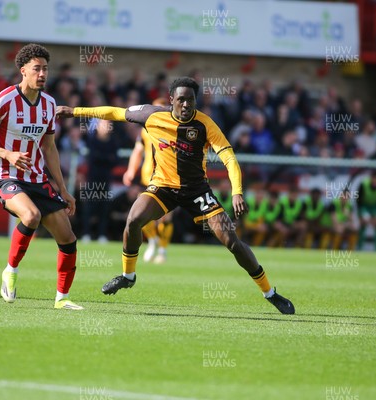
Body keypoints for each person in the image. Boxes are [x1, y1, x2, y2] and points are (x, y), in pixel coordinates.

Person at [56, 77, 294, 314]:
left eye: (191, 100)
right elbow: (115, 113)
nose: (186, 105)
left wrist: (237, 192)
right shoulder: (151, 115)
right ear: (171, 100)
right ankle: (128, 276)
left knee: (232, 242)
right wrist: (74, 111)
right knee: (133, 219)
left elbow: (229, 158)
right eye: (181, 100)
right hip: (163, 187)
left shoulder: (205, 124)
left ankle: (269, 293)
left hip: (197, 191)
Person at [0, 43, 83, 310]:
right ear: (23, 71)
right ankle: (10, 271)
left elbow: (49, 147)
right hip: (6, 175)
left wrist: (63, 190)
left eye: (45, 69)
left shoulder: (49, 104)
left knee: (68, 238)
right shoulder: (2, 100)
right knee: (31, 216)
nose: (42, 74)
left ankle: (62, 299)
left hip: (38, 180)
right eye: (36, 69)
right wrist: (6, 154)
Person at [122, 98, 174, 264]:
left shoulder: (174, 129)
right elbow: (137, 151)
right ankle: (152, 242)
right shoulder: (145, 130)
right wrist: (130, 170)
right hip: (147, 177)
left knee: (166, 218)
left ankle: (163, 250)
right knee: (141, 215)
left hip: (167, 178)